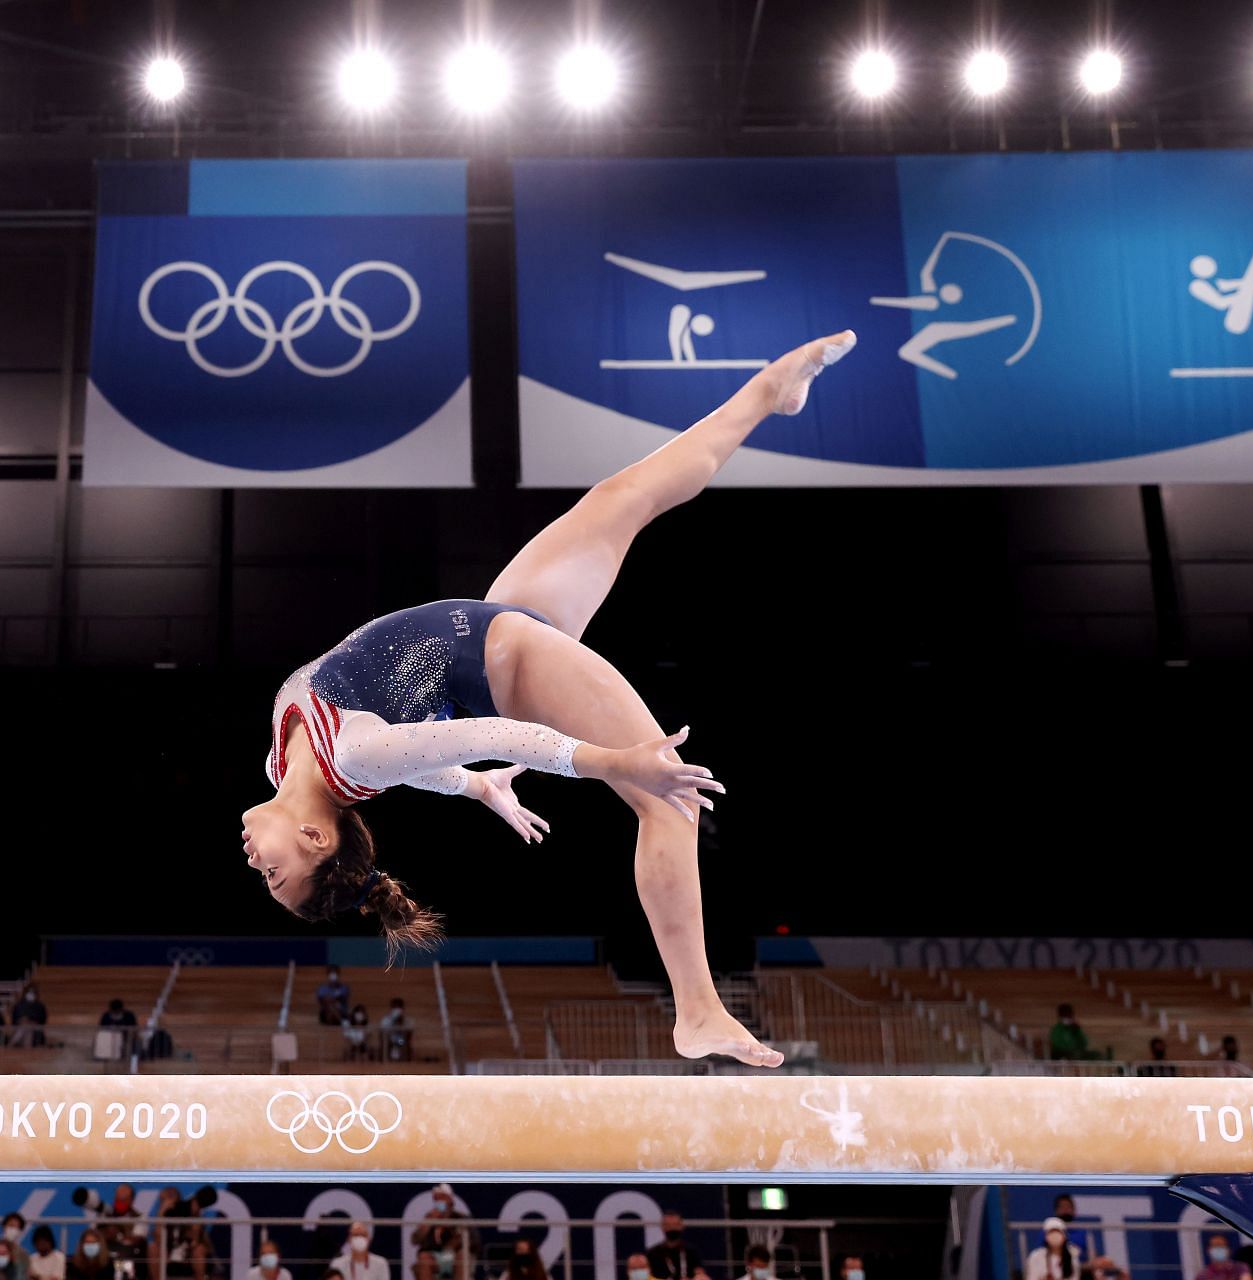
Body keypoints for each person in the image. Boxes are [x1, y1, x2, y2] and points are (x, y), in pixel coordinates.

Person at [240, 330, 856, 1065]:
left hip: (501, 621)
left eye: (265, 875)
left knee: (626, 496)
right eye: (274, 876)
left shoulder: (290, 765)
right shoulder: (351, 757)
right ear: (316, 840)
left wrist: (473, 790)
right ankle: (698, 1011)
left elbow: (423, 758)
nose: (254, 863)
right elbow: (499, 733)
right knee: (668, 799)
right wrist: (616, 762)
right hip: (507, 660)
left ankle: (768, 392)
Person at [411, 1186, 477, 1280]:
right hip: (435, 1257)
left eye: (442, 1198)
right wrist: (427, 1223)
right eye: (436, 1198)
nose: (439, 1201)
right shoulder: (429, 1218)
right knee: (424, 1258)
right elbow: (415, 1240)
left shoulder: (461, 1218)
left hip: (454, 1257)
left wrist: (456, 1242)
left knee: (462, 1256)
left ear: (450, 1201)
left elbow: (475, 1242)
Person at [645, 1214, 697, 1280]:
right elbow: (647, 1275)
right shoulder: (652, 1253)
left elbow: (700, 1273)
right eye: (668, 1225)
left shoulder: (691, 1252)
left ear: (682, 1226)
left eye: (675, 1225)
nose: (672, 1228)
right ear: (662, 1227)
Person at [379, 997, 414, 1061]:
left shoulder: (407, 1020)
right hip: (390, 1039)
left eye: (399, 1007)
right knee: (385, 1041)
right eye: (395, 1007)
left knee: (403, 1042)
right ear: (391, 1008)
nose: (397, 1009)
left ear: (402, 1008)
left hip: (401, 1040)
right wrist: (393, 1022)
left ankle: (405, 1060)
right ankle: (385, 1059)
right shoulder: (386, 1019)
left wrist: (401, 1022)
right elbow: (382, 1031)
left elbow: (410, 1031)